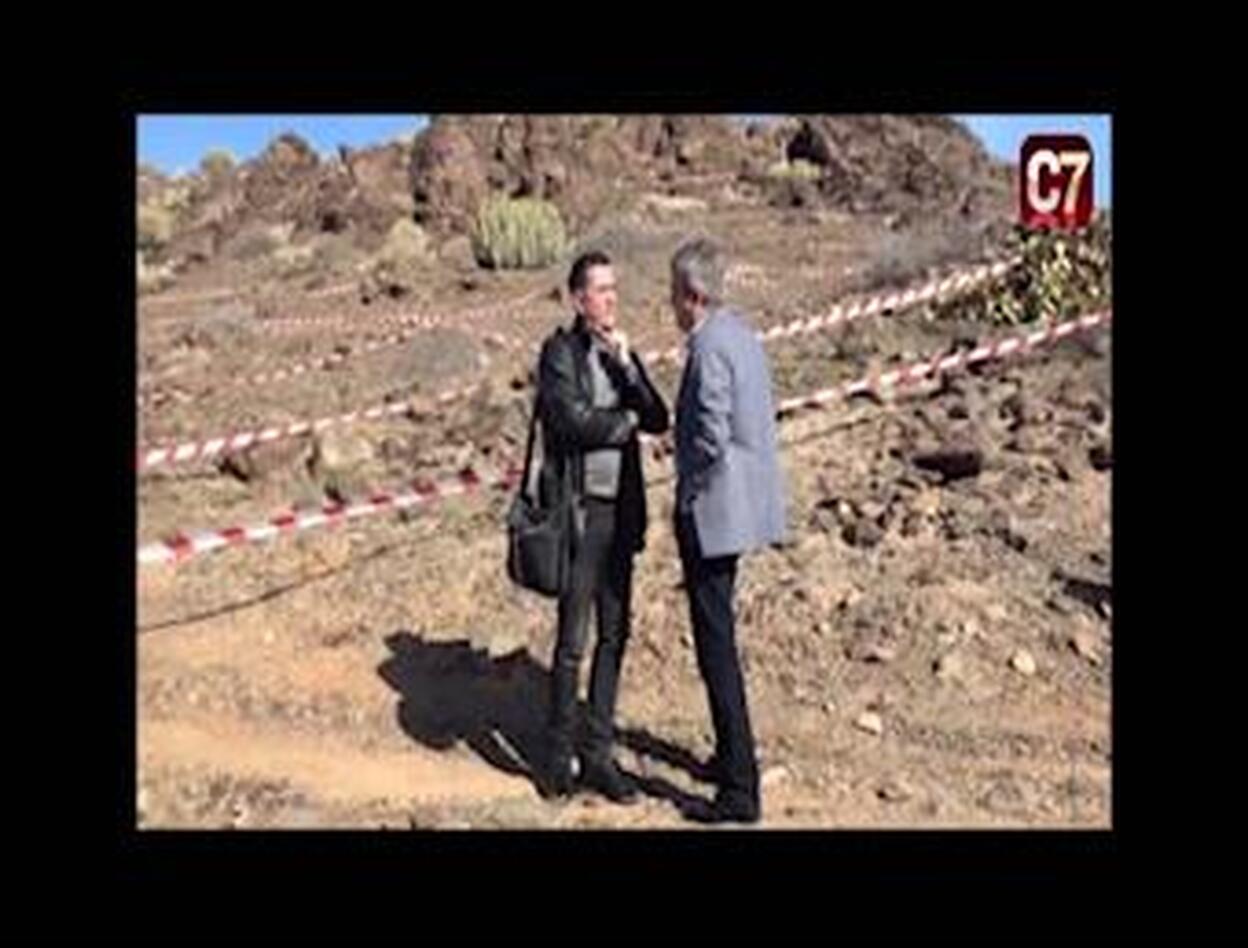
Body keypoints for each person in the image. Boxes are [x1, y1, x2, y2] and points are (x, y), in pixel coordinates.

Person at [534, 250, 670, 802]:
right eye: (601, 289)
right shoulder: (560, 352)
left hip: (622, 511)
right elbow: (569, 420)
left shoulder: (619, 355)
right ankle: (556, 755)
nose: (612, 298)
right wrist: (626, 423)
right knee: (573, 640)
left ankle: (597, 752)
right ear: (578, 299)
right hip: (580, 511)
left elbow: (658, 416)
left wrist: (630, 367)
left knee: (615, 634)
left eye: (615, 288)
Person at [669, 237, 787, 824]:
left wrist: (689, 488)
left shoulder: (709, 346)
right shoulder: (741, 335)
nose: (670, 305)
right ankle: (729, 757)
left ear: (693, 295)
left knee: (715, 647)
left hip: (714, 512)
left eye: (673, 293)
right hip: (742, 509)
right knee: (719, 639)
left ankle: (740, 789)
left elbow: (711, 434)